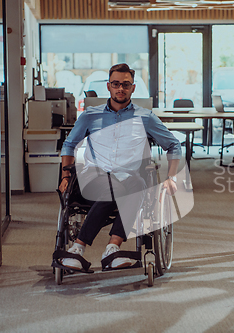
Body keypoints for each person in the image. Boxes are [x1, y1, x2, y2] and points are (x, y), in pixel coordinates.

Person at [58, 63, 181, 271]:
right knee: (120, 188)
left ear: (133, 88)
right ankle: (91, 247)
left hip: (131, 177)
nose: (120, 88)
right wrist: (65, 177)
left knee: (136, 185)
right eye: (116, 84)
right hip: (96, 177)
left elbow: (173, 144)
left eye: (126, 84)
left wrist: (171, 177)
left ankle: (101, 247)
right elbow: (69, 144)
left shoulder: (145, 117)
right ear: (108, 86)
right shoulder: (90, 115)